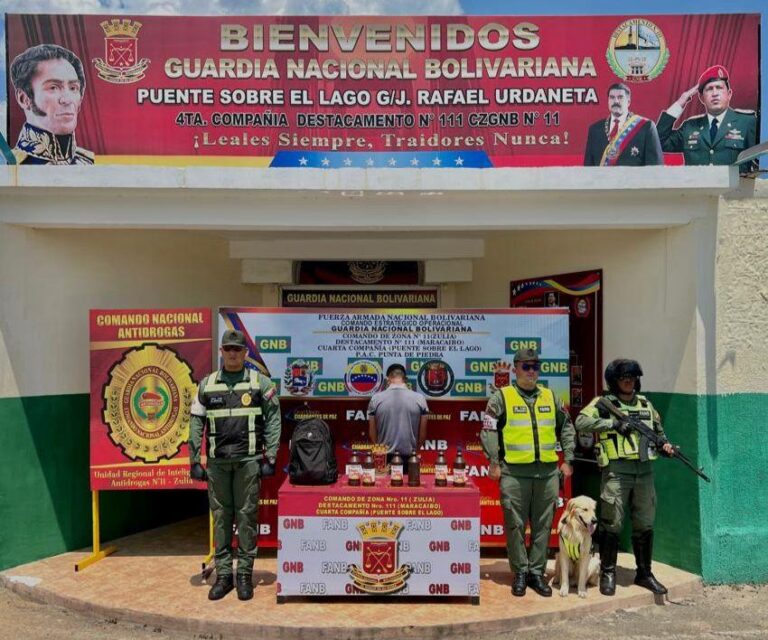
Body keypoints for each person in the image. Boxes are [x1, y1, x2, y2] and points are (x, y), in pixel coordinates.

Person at [188, 329, 282, 601]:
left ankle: (244, 576)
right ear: (221, 351)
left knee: (247, 517)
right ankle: (224, 576)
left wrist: (271, 456)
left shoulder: (260, 383)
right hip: (217, 464)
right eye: (227, 348)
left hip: (248, 462)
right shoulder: (206, 385)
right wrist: (194, 459)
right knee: (220, 519)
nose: (232, 353)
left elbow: (274, 418)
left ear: (245, 353)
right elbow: (196, 422)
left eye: (237, 349)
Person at [480, 347, 575, 597]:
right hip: (514, 474)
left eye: (535, 366)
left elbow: (566, 427)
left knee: (544, 526)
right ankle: (520, 572)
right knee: (515, 525)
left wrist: (568, 458)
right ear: (515, 369)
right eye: (526, 366)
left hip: (546, 474)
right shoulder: (502, 397)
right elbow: (488, 430)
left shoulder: (550, 396)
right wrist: (493, 461)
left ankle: (536, 573)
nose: (531, 371)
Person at [575, 359, 675, 596]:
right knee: (612, 521)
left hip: (644, 471)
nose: (629, 381)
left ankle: (645, 573)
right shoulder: (605, 403)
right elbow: (581, 421)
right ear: (614, 381)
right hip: (616, 472)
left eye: (632, 377)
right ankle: (608, 572)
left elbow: (659, 434)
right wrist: (612, 424)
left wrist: (666, 447)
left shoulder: (645, 404)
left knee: (645, 522)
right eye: (624, 378)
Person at [656, 65, 757, 174]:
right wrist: (681, 100)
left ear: (729, 94)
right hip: (697, 190)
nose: (714, 93)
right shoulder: (689, 127)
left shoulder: (747, 122)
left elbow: (760, 159)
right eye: (709, 89)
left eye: (719, 87)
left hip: (734, 190)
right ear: (702, 98)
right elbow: (658, 142)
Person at [10, 44, 94, 165]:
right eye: (53, 87)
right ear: (24, 99)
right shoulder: (9, 166)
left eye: (73, 88)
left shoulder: (91, 163)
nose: (67, 99)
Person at [584, 83, 663, 166]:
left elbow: (655, 169)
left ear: (628, 102)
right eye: (612, 97)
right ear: (608, 101)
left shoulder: (646, 127)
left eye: (620, 97)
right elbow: (588, 169)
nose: (616, 101)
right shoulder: (595, 129)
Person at [367, 363, 428, 459]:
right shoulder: (420, 399)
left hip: (384, 457)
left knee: (384, 475)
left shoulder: (376, 399)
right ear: (405, 379)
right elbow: (423, 434)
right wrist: (416, 451)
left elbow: (372, 432)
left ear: (387, 379)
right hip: (410, 457)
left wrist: (380, 450)